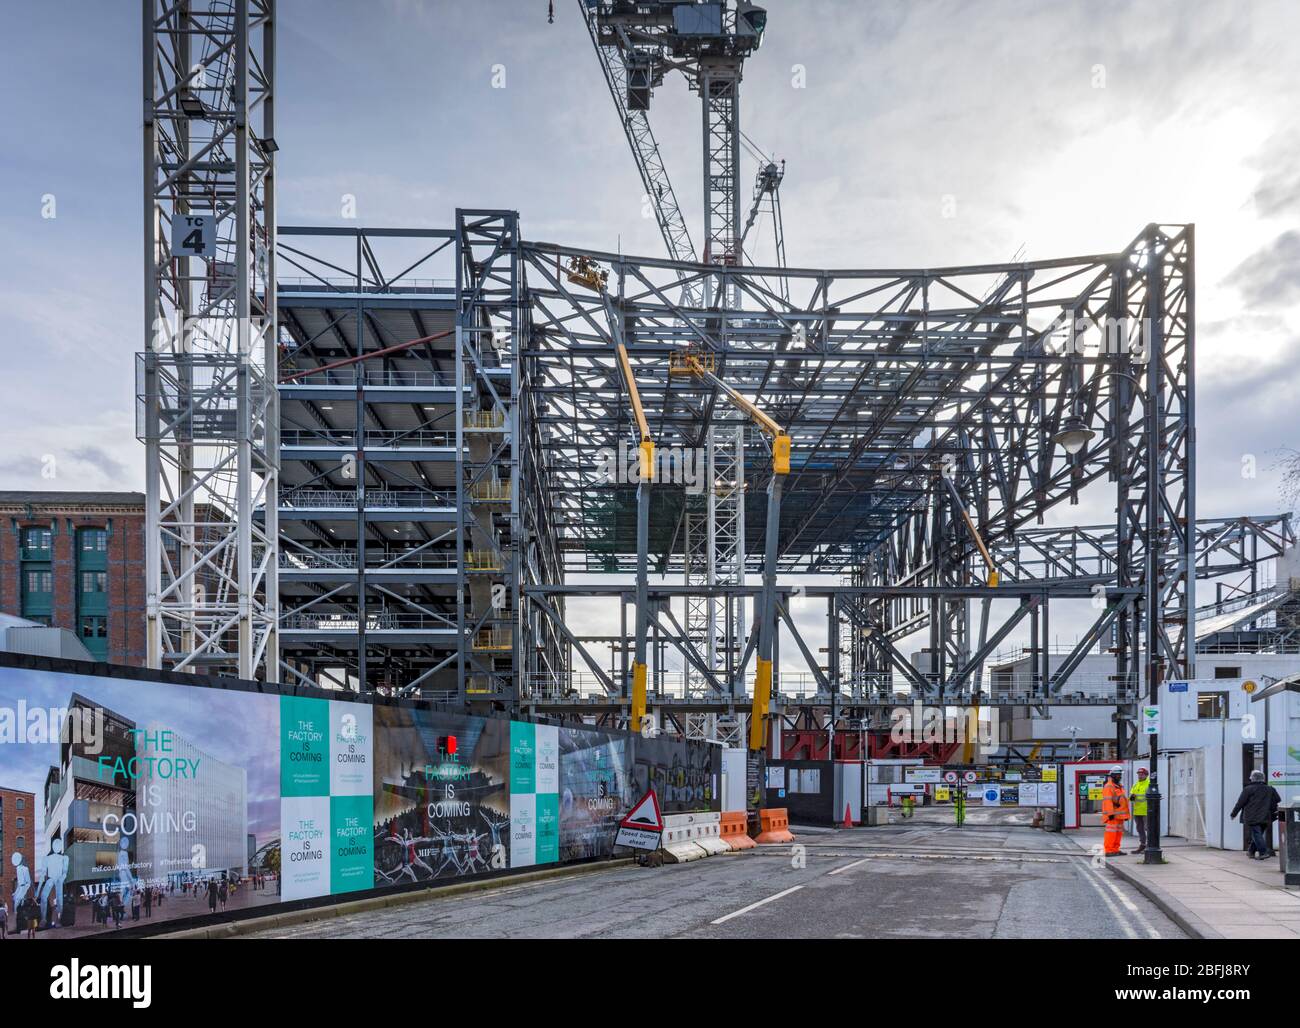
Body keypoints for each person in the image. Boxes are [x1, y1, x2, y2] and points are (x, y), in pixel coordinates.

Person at [1230, 769, 1282, 860]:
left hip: (1252, 816)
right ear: (1263, 779)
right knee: (1258, 834)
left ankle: (1263, 852)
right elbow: (1278, 799)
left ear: (1252, 779)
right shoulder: (1270, 789)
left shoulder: (1248, 789)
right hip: (1266, 815)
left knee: (1257, 834)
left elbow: (1240, 803)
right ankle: (1251, 851)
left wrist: (1233, 814)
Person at [1101, 764, 1131, 856]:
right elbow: (1107, 801)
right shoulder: (1109, 786)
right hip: (1113, 815)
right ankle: (1109, 850)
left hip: (1119, 815)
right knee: (1111, 833)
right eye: (1118, 774)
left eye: (1120, 774)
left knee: (1118, 833)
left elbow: (1122, 801)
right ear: (1113, 775)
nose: (1120, 776)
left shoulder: (1118, 786)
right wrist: (1110, 814)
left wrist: (1125, 815)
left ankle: (1115, 849)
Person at [1129, 767, 1152, 854]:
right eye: (1138, 774)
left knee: (1148, 829)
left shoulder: (1149, 784)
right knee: (1140, 829)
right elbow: (1131, 797)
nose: (1139, 776)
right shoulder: (1136, 785)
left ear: (1146, 775)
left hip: (1146, 811)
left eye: (1141, 774)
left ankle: (1150, 846)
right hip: (1137, 811)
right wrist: (1131, 797)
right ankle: (1143, 845)